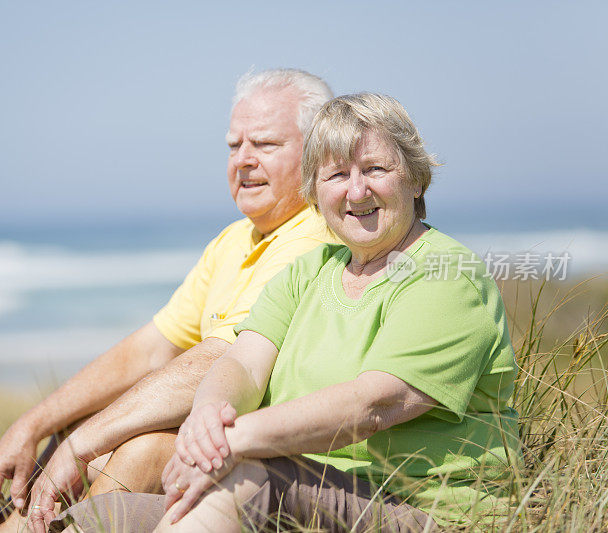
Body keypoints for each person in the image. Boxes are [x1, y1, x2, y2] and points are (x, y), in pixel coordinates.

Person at [51, 93, 521, 532]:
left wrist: (232, 443)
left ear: (416, 178)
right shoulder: (308, 272)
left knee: (247, 475)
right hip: (309, 487)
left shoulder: (445, 274)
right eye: (337, 175)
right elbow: (240, 364)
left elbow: (371, 406)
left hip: (423, 509)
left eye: (375, 169)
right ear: (315, 190)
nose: (356, 192)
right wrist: (207, 420)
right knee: (106, 515)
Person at [0, 68, 337, 526]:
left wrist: (82, 443)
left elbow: (221, 360)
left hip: (289, 468)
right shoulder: (234, 239)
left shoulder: (316, 235)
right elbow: (151, 349)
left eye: (264, 145)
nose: (243, 160)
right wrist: (35, 425)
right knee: (78, 425)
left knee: (139, 449)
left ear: (319, 152)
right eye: (233, 145)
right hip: (224, 448)